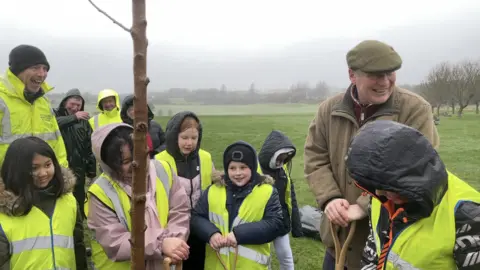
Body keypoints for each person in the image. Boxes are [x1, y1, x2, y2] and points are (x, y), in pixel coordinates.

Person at [303, 39, 440, 269]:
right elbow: (315, 156)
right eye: (376, 75)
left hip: (387, 245)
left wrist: (364, 205)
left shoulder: (415, 109)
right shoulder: (328, 109)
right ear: (352, 75)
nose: (385, 82)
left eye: (390, 73)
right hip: (338, 242)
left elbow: (416, 171)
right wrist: (330, 198)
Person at [344, 120, 480, 270]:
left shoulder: (469, 215)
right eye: (377, 186)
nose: (380, 193)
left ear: (412, 177)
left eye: (390, 187)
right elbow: (374, 252)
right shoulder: (382, 194)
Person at [85, 123, 190, 270]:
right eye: (126, 162)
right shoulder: (101, 192)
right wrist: (161, 243)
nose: (137, 164)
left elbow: (179, 210)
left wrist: (175, 242)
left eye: (141, 155)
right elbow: (114, 242)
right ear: (109, 165)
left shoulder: (163, 170)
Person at [191, 141, 284, 270]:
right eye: (232, 168)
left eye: (243, 167)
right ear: (226, 168)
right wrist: (211, 233)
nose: (238, 173)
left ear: (252, 167)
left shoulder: (267, 192)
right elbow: (196, 217)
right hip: (217, 265)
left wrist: (239, 234)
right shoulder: (212, 191)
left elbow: (275, 224)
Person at [0, 136, 86, 270]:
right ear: (16, 170)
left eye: (47, 165)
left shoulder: (68, 201)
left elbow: (78, 245)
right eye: (34, 168)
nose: (43, 173)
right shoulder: (5, 212)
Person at [154, 111, 215, 270]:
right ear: (174, 137)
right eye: (184, 138)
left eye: (194, 138)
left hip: (200, 226)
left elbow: (215, 183)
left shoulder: (205, 158)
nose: (189, 143)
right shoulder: (159, 161)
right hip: (172, 229)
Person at [0, 44, 68, 168]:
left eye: (45, 68)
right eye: (35, 68)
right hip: (8, 182)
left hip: (43, 180)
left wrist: (61, 173)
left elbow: (57, 142)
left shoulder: (43, 102)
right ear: (18, 70)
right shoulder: (1, 99)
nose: (42, 74)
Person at [258, 130, 303, 270]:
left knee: (287, 258)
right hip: (261, 223)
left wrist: (296, 225)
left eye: (285, 158)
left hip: (281, 222)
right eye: (280, 157)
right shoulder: (255, 171)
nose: (282, 161)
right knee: (265, 260)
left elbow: (291, 198)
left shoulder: (283, 171)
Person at [54, 88, 96, 217]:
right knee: (59, 193)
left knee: (78, 195)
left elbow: (89, 146)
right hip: (58, 165)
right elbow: (53, 125)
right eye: (72, 104)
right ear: (65, 102)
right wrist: (73, 118)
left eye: (78, 105)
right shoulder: (55, 115)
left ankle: (78, 220)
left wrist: (91, 170)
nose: (75, 107)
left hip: (79, 166)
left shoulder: (84, 122)